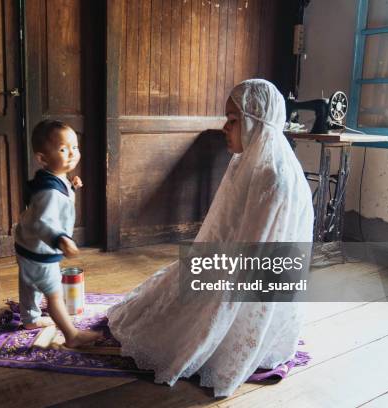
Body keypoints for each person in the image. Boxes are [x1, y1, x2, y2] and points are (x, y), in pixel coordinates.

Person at [106, 79, 314, 397]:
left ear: (256, 122)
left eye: (233, 120)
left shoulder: (274, 177)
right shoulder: (245, 162)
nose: (224, 127)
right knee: (163, 305)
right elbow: (224, 230)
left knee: (173, 330)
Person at [15, 119, 101, 347]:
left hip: (26, 246)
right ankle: (71, 335)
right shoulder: (49, 192)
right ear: (43, 158)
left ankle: (30, 319)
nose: (72, 153)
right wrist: (60, 239)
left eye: (75, 147)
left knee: (29, 283)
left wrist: (71, 186)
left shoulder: (52, 178)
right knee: (53, 294)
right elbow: (42, 221)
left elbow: (56, 199)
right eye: (64, 149)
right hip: (41, 249)